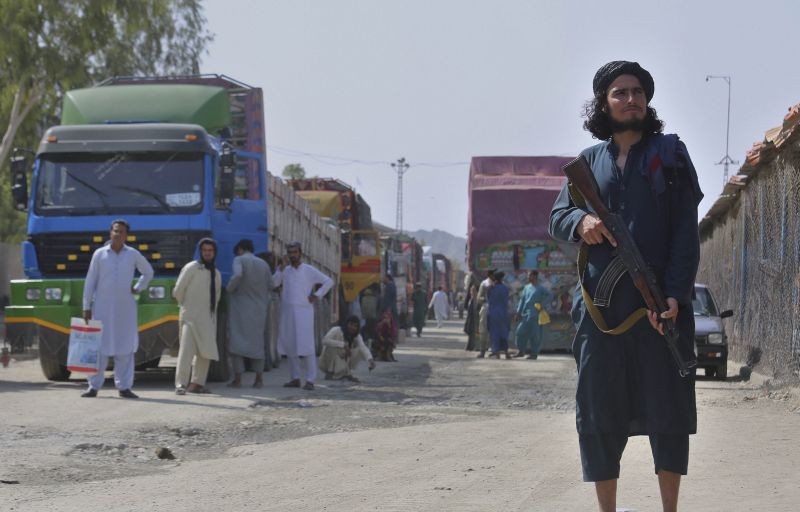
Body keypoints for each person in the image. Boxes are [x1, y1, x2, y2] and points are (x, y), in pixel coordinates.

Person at [549, 61, 703, 512]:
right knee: (598, 415)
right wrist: (582, 220)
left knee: (669, 414)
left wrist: (674, 294)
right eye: (620, 92)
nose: (630, 99)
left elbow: (685, 233)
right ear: (603, 102)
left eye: (638, 91)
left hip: (661, 311)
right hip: (602, 317)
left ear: (647, 101)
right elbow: (556, 217)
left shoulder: (670, 155)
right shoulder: (589, 162)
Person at [81, 219, 154, 398]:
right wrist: (86, 306)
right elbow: (90, 281)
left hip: (125, 308)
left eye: (121, 232)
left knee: (125, 347)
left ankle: (124, 387)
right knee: (99, 347)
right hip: (101, 308)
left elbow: (148, 272)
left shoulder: (132, 254)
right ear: (110, 233)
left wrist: (138, 287)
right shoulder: (99, 254)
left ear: (126, 235)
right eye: (115, 231)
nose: (118, 234)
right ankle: (93, 386)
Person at [273, 241, 334, 391]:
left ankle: (310, 380)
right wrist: (279, 269)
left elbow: (329, 281)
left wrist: (316, 295)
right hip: (287, 312)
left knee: (306, 346)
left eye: (295, 252)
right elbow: (274, 283)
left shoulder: (309, 270)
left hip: (304, 313)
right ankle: (295, 378)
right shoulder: (285, 271)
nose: (292, 255)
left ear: (300, 253)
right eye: (290, 252)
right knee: (290, 345)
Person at [173, 238, 221, 395]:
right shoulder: (191, 267)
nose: (207, 253)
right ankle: (180, 384)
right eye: (205, 250)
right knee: (186, 352)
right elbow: (178, 291)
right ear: (200, 252)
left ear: (214, 253)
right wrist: (186, 308)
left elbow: (217, 298)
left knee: (205, 353)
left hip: (207, 319)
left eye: (210, 251)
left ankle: (197, 384)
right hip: (190, 318)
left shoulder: (216, 273)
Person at [227, 239, 272, 389]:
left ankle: (238, 379)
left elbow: (238, 275)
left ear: (240, 249)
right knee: (258, 343)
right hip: (259, 309)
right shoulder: (263, 264)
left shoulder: (239, 259)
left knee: (237, 341)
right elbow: (271, 285)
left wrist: (229, 289)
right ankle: (259, 379)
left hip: (240, 307)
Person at [318, 315, 376, 383]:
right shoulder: (336, 330)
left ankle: (347, 373)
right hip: (332, 358)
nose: (352, 328)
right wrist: (343, 345)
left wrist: (370, 359)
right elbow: (324, 341)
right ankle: (330, 373)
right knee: (330, 346)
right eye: (351, 324)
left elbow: (362, 347)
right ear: (347, 324)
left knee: (359, 350)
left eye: (355, 326)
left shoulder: (356, 336)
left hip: (344, 357)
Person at [513, 270, 552, 359]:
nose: (528, 277)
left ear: (535, 276)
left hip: (535, 315)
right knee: (520, 332)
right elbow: (522, 300)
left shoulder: (540, 288)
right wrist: (518, 313)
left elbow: (550, 295)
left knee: (535, 335)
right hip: (525, 315)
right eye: (527, 275)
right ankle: (521, 351)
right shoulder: (526, 287)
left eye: (529, 275)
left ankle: (534, 354)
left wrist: (542, 304)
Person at [486, 272, 511, 359]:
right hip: (503, 313)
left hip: (493, 314)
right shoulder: (505, 288)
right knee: (504, 332)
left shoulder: (490, 289)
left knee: (494, 333)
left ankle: (496, 352)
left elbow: (488, 300)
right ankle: (506, 352)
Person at [475, 269, 496, 358]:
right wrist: (485, 299)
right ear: (489, 275)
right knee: (483, 330)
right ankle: (482, 351)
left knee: (495, 331)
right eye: (493, 275)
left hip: (496, 309)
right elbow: (478, 298)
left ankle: (495, 351)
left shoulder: (497, 284)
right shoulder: (484, 284)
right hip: (486, 308)